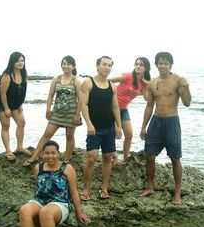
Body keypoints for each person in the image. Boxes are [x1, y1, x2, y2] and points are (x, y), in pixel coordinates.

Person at [18, 140, 90, 227]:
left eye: (53, 153)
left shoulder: (67, 168)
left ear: (58, 153)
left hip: (60, 203)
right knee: (24, 210)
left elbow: (74, 192)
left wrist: (79, 213)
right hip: (40, 200)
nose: (50, 156)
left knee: (45, 212)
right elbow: (38, 187)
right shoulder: (38, 168)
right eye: (47, 153)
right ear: (42, 154)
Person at [139, 52, 192, 204]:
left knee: (175, 158)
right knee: (149, 156)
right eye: (160, 63)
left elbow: (187, 103)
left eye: (166, 63)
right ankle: (150, 186)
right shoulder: (152, 83)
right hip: (156, 122)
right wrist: (143, 127)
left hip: (171, 122)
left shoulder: (177, 81)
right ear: (156, 65)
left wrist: (186, 86)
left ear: (170, 65)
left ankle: (177, 192)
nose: (163, 66)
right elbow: (149, 106)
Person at [23, 56, 82, 167]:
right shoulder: (56, 79)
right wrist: (48, 109)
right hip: (57, 113)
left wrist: (77, 115)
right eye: (64, 63)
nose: (66, 66)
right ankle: (35, 156)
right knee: (47, 134)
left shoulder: (76, 81)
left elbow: (81, 99)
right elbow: (50, 95)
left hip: (71, 114)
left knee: (69, 137)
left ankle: (66, 160)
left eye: (69, 64)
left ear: (73, 66)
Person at [78, 56, 122, 200]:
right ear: (97, 66)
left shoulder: (112, 86)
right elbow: (83, 105)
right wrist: (89, 124)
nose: (107, 68)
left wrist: (119, 126)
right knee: (91, 157)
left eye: (109, 65)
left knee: (107, 157)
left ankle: (104, 189)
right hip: (94, 128)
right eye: (104, 65)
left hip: (109, 127)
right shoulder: (88, 83)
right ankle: (85, 189)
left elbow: (115, 107)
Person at [109, 57, 151, 166]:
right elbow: (108, 81)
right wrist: (111, 94)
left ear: (146, 68)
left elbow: (147, 98)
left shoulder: (142, 83)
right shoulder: (127, 76)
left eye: (141, 64)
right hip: (112, 108)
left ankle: (125, 159)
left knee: (129, 135)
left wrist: (148, 84)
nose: (138, 66)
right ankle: (114, 157)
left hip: (123, 110)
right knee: (112, 134)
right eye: (136, 64)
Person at [0, 51, 32, 162]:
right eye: (18, 61)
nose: (20, 63)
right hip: (2, 102)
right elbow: (2, 93)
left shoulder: (24, 73)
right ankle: (8, 151)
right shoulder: (7, 75)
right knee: (6, 125)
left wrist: (20, 104)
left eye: (22, 60)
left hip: (15, 103)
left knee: (22, 122)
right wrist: (6, 108)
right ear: (12, 62)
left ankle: (19, 147)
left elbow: (23, 90)